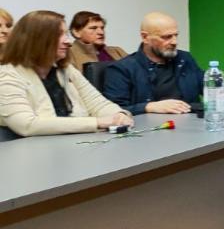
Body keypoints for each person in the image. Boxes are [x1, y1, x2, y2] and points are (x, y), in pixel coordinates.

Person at [0, 10, 131, 136]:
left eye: (66, 34)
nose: (68, 41)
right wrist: (97, 122)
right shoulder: (7, 75)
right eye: (59, 35)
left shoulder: (66, 69)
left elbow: (99, 104)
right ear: (37, 39)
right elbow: (27, 125)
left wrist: (119, 115)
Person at [103, 12, 202, 115]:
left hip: (191, 119)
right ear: (145, 37)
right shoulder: (122, 69)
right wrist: (148, 107)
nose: (174, 42)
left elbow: (208, 87)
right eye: (166, 37)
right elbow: (113, 111)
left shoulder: (184, 59)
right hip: (150, 123)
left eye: (176, 35)